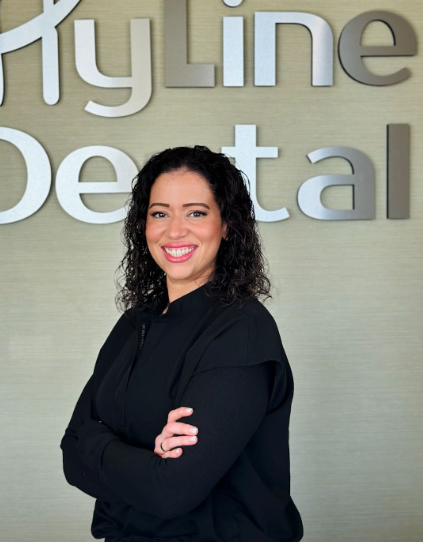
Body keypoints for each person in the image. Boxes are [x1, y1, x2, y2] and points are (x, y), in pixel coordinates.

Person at [60, 145, 304, 542]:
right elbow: (71, 457)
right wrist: (144, 454)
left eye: (196, 212)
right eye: (160, 213)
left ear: (227, 224)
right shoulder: (136, 320)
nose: (174, 231)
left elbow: (170, 491)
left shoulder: (241, 332)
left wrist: (97, 442)